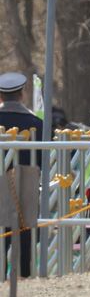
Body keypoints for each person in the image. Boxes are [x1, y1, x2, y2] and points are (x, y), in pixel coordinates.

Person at [0, 72, 42, 278]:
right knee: (25, 242)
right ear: (22, 95)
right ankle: (26, 277)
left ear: (0, 97)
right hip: (27, 183)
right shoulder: (36, 123)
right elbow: (42, 160)